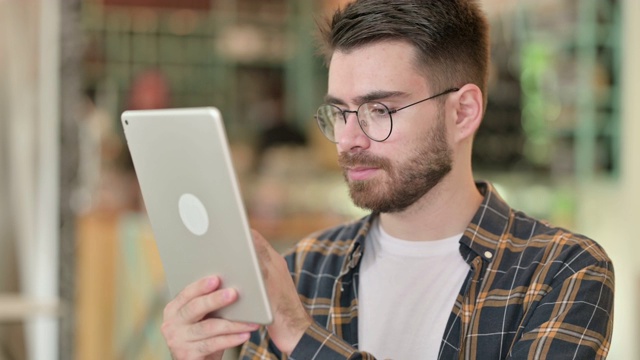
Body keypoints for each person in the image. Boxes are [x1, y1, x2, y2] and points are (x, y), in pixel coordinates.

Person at [160, 0, 615, 359]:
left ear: (463, 112)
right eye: (339, 112)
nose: (348, 139)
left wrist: (300, 337)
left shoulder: (561, 273)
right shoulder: (301, 271)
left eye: (379, 111)